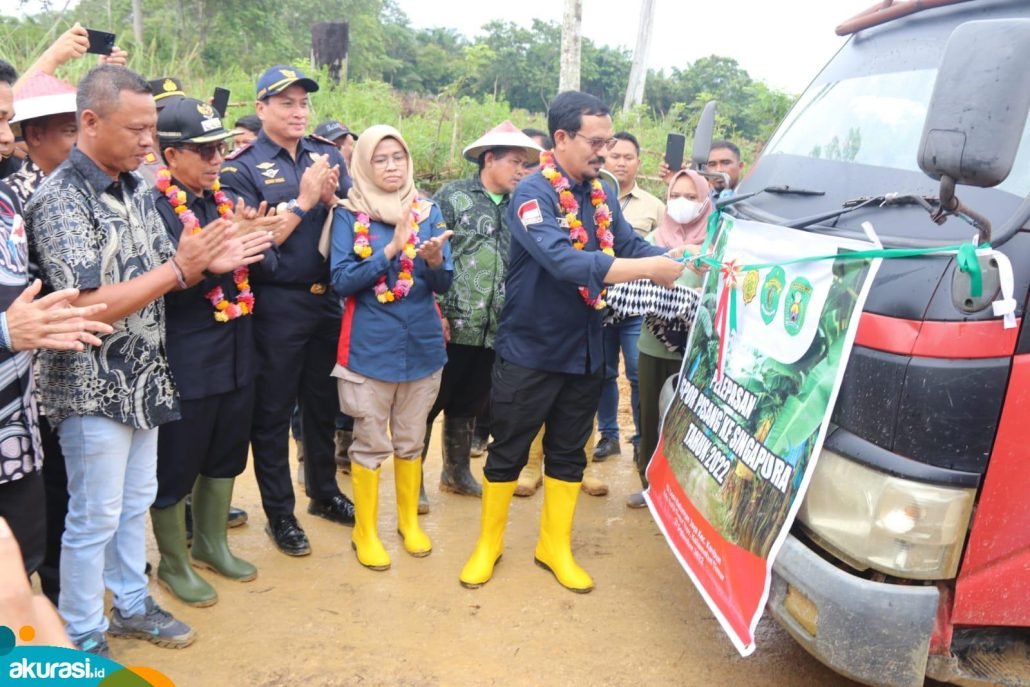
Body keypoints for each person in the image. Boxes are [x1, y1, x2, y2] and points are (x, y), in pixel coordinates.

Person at [25, 64, 269, 657]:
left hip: (146, 377)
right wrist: (180, 271)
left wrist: (206, 262)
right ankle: (82, 631)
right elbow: (82, 306)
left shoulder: (137, 189)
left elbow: (164, 277)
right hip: (91, 384)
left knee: (135, 503)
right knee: (94, 516)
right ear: (89, 121)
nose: (147, 142)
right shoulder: (61, 201)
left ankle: (131, 603)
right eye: (135, 129)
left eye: (152, 130)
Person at [459, 91, 685, 594]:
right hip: (531, 349)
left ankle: (553, 546)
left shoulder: (600, 192)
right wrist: (650, 270)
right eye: (596, 141)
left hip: (587, 346)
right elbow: (564, 262)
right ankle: (487, 545)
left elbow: (625, 244)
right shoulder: (532, 194)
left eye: (609, 141)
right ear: (560, 138)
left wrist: (680, 256)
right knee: (510, 447)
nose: (604, 151)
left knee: (568, 452)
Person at [219, 64, 354, 557]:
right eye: (286, 104)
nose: (298, 112)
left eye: (303, 103)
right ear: (261, 109)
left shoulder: (325, 152)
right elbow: (250, 239)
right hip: (276, 301)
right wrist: (302, 199)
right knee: (273, 411)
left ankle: (324, 492)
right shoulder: (242, 167)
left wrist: (336, 197)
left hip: (327, 298)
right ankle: (280, 512)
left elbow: (346, 217)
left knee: (323, 406)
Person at [150, 97, 281, 606]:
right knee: (177, 463)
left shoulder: (221, 201)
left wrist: (256, 238)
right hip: (189, 358)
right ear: (170, 155)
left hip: (237, 351)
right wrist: (214, 262)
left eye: (220, 148)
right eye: (203, 151)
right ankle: (174, 561)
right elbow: (161, 286)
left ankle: (211, 543)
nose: (216, 159)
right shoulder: (158, 207)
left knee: (227, 452)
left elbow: (260, 270)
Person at [0, 58, 113, 584]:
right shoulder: (27, 194)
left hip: (19, 412)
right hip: (38, 374)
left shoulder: (8, 202)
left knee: (33, 541)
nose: (8, 139)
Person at [329, 125, 453, 571]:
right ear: (363, 163)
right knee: (369, 441)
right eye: (380, 159)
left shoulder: (428, 210)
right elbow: (341, 280)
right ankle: (366, 531)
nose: (391, 166)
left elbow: (443, 283)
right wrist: (391, 250)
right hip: (370, 348)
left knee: (411, 438)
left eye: (398, 157)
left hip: (421, 345)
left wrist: (435, 261)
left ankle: (407, 523)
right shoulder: (348, 214)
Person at [421, 122, 542, 511]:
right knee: (429, 403)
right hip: (453, 321)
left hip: (497, 327)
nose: (521, 171)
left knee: (471, 402)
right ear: (489, 160)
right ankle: (414, 480)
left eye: (525, 164)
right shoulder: (453, 198)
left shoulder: (523, 206)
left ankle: (455, 473)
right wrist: (435, 310)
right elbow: (430, 255)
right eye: (514, 162)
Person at [629, 169, 715, 508]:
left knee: (692, 421)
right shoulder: (651, 241)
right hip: (653, 343)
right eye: (675, 195)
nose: (682, 203)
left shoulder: (716, 245)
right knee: (651, 415)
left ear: (705, 201)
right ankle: (650, 485)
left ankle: (687, 497)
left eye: (691, 197)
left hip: (698, 349)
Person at [592, 131, 666, 464]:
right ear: (603, 159)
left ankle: (641, 438)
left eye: (628, 157)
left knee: (637, 372)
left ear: (638, 162)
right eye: (615, 156)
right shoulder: (589, 198)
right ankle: (608, 436)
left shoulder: (654, 206)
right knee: (603, 371)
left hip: (637, 305)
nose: (621, 162)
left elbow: (654, 248)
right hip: (597, 301)